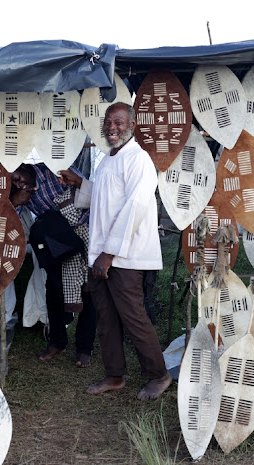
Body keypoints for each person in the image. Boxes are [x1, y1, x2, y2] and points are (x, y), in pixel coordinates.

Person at [60, 102, 171, 401]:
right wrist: (81, 183)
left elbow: (134, 205)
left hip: (126, 255)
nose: (112, 128)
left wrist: (109, 253)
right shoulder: (108, 159)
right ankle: (114, 374)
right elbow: (106, 197)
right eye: (109, 122)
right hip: (102, 254)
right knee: (106, 317)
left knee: (133, 316)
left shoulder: (140, 160)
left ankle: (159, 374)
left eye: (119, 122)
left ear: (132, 125)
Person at [10, 162, 97, 368]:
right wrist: (14, 201)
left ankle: (84, 348)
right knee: (54, 289)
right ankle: (58, 341)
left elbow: (91, 192)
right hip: (54, 241)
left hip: (83, 232)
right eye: (14, 182)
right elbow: (9, 216)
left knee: (87, 290)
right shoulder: (19, 191)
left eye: (18, 177)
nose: (19, 184)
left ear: (24, 165)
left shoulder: (55, 167)